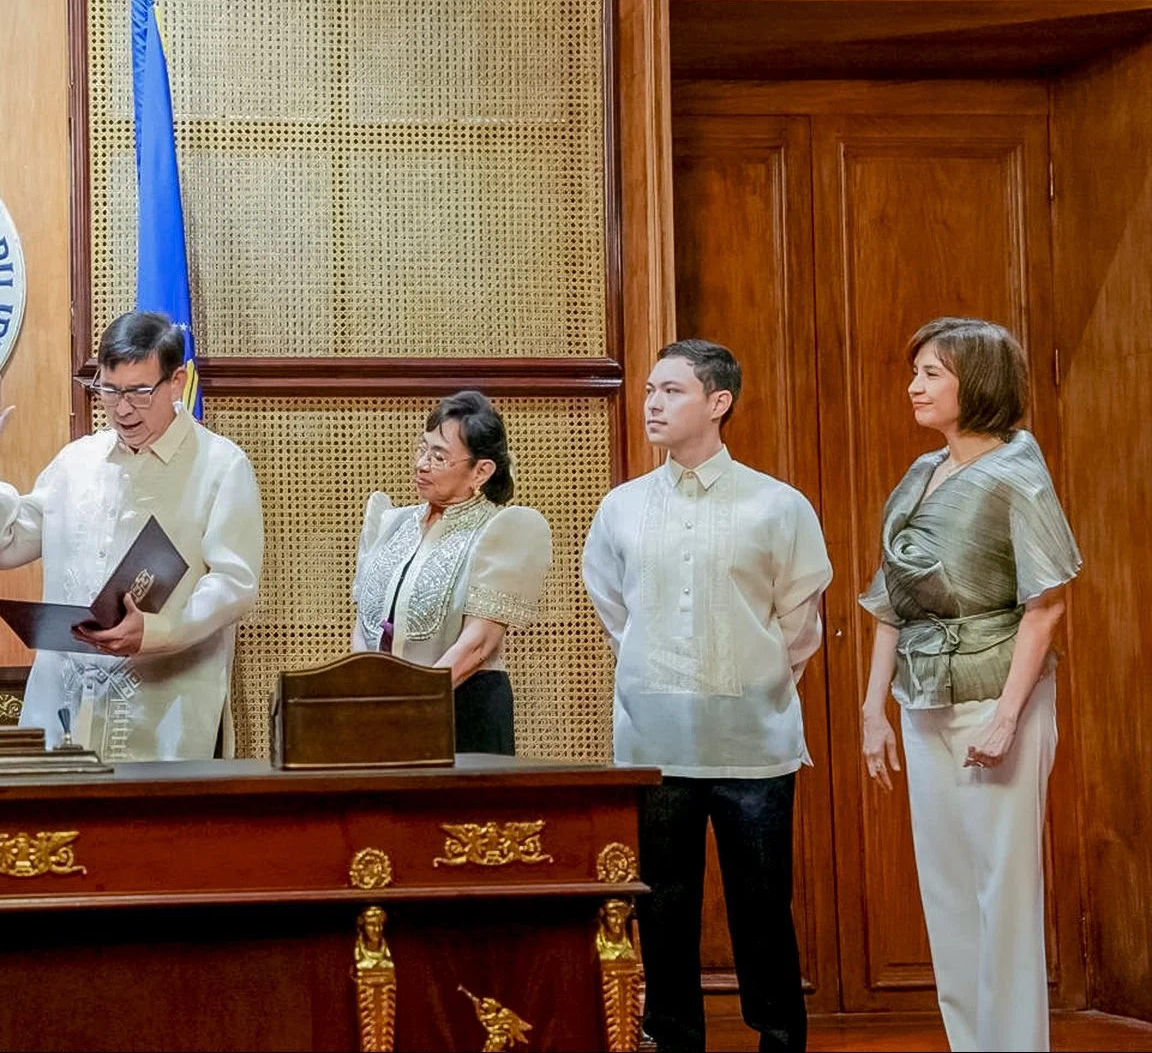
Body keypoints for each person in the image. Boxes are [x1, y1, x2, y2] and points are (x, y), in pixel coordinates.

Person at [581, 339, 832, 1053]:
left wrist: (747, 678)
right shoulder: (622, 506)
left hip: (755, 741)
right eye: (650, 390)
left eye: (672, 391)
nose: (653, 404)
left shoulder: (777, 504)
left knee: (763, 908)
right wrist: (662, 668)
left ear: (719, 402)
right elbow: (614, 609)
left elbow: (799, 622)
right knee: (662, 908)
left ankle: (779, 1039)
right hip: (653, 744)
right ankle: (673, 1039)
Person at [857, 318, 1079, 1053]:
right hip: (922, 698)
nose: (914, 387)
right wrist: (873, 708)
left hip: (995, 695)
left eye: (932, 374)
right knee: (947, 890)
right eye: (915, 371)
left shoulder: (1017, 472)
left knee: (1003, 892)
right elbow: (890, 599)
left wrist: (1009, 717)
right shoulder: (922, 472)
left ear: (976, 383)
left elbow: (1046, 606)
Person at [0, 311, 263, 760]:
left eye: (139, 392)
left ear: (176, 382)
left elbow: (234, 584)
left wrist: (156, 630)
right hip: (63, 709)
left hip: (163, 715)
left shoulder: (221, 466)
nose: (121, 409)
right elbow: (6, 543)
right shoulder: (77, 462)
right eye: (109, 390)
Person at [350, 391, 551, 753]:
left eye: (439, 456)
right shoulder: (392, 523)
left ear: (481, 471)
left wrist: (416, 702)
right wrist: (365, 695)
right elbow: (364, 624)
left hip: (464, 709)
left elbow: (478, 645)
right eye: (422, 449)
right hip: (386, 710)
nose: (422, 464)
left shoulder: (501, 530)